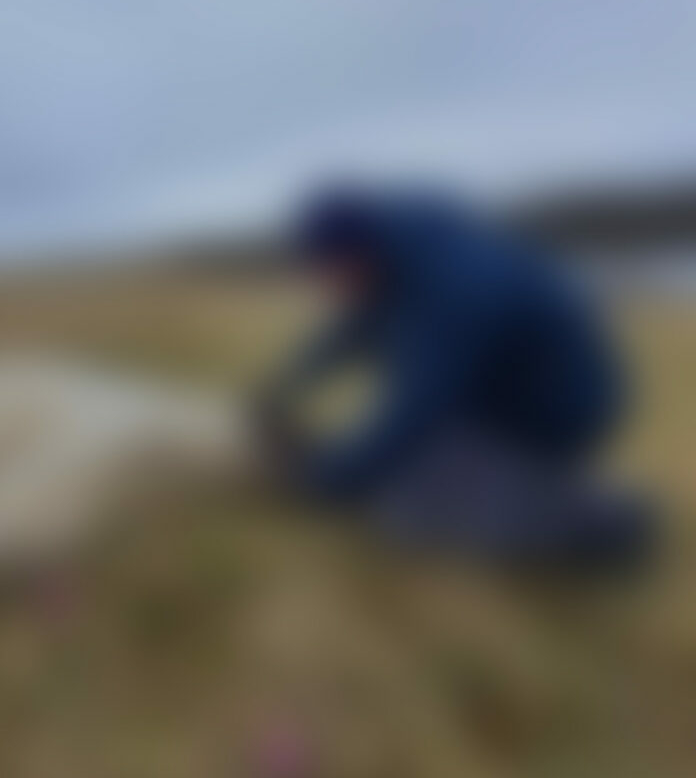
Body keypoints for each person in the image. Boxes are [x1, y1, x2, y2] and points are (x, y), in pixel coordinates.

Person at [254, 184, 654, 569]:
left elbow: (413, 414)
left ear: (354, 255)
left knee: (411, 508)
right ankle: (530, 486)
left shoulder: (451, 289)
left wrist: (324, 482)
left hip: (557, 407)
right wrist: (286, 385)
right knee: (394, 471)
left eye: (331, 275)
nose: (329, 289)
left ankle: (609, 525)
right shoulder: (391, 251)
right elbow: (356, 325)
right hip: (498, 390)